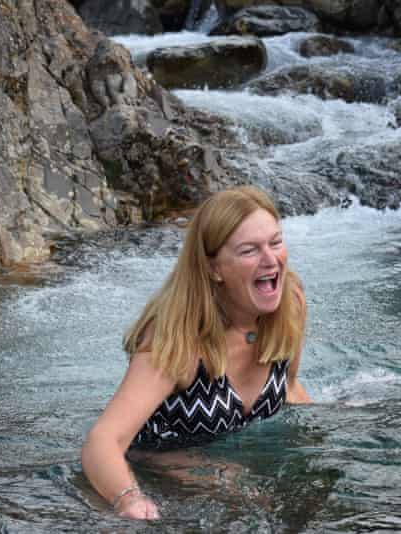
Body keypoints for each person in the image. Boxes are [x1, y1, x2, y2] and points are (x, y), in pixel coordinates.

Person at [81, 186, 312, 520]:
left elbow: (289, 387)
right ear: (214, 268)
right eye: (249, 250)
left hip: (236, 463)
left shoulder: (289, 302)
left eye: (275, 243)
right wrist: (129, 500)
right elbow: (103, 441)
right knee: (250, 500)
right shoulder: (177, 338)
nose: (271, 259)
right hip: (157, 465)